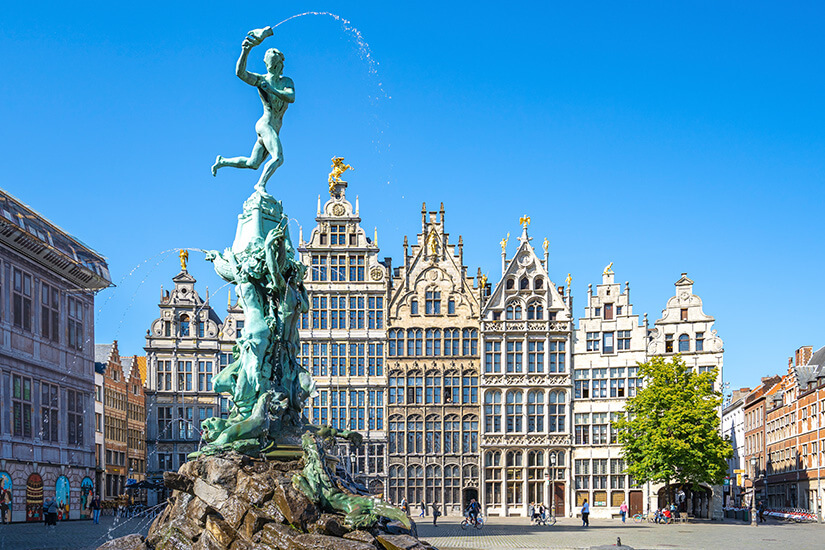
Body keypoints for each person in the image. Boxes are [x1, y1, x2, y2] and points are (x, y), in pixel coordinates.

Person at [211, 26, 295, 195]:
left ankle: (222, 161)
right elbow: (240, 73)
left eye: (273, 61)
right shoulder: (260, 79)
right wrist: (246, 50)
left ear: (279, 64)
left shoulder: (286, 81)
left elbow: (291, 97)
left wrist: (271, 90)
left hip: (274, 128)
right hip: (265, 125)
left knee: (253, 163)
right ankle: (260, 186)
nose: (271, 65)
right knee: (278, 157)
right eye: (268, 61)